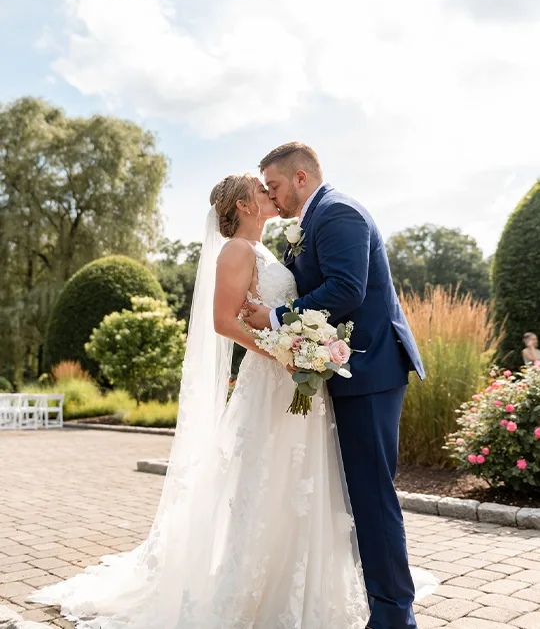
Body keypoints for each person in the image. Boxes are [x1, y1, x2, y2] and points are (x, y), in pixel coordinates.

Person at [29, 170, 436, 628]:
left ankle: (307, 582)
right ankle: (255, 589)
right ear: (243, 205)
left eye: (272, 186)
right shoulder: (237, 250)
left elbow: (303, 303)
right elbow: (226, 321)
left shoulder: (274, 250)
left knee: (303, 482)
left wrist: (295, 346)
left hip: (299, 382)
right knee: (266, 483)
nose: (270, 194)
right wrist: (282, 352)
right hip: (273, 379)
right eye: (262, 190)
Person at [244, 142, 428, 629]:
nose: (272, 196)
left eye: (276, 186)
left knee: (371, 496)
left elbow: (348, 288)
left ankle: (393, 617)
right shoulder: (309, 224)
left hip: (369, 371)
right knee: (355, 496)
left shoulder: (338, 212)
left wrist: (279, 316)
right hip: (347, 373)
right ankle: (379, 604)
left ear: (301, 178)